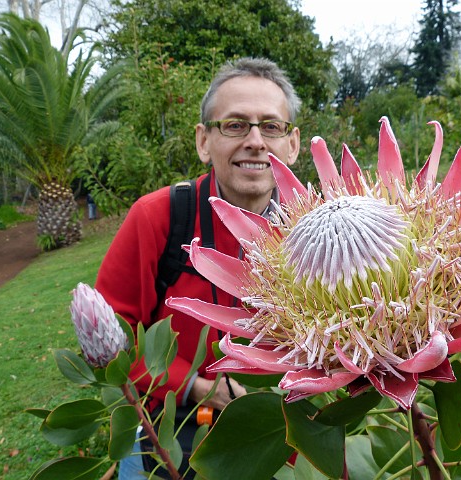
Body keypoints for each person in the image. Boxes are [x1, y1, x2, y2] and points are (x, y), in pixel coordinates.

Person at [95, 57, 301, 479]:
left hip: (283, 437)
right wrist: (197, 388)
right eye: (235, 125)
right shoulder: (158, 219)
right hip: (173, 435)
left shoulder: (313, 230)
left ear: (292, 144)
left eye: (271, 127)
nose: (256, 141)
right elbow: (110, 338)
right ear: (204, 141)